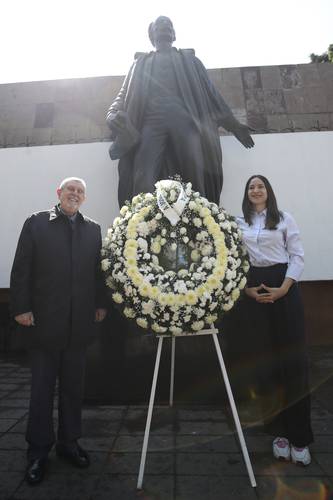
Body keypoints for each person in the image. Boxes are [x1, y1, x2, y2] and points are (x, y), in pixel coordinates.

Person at [10, 177, 107, 485]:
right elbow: (21, 268)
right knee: (41, 391)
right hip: (43, 325)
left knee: (72, 390)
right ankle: (37, 452)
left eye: (80, 191)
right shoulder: (36, 223)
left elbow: (97, 271)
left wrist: (101, 304)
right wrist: (20, 308)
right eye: (70, 190)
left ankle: (69, 443)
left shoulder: (93, 229)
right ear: (58, 193)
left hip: (78, 325)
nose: (74, 194)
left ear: (84, 198)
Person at [106, 16, 254, 208]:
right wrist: (112, 113)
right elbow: (123, 95)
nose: (164, 27)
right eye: (159, 25)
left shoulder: (190, 61)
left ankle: (202, 220)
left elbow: (212, 95)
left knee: (195, 173)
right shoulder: (139, 64)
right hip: (151, 123)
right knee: (143, 175)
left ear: (174, 34)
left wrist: (234, 126)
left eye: (168, 25)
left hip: (185, 122)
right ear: (152, 35)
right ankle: (139, 225)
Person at [230, 175, 313, 465]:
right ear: (247, 193)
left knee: (293, 362)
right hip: (255, 291)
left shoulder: (284, 219)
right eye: (251, 186)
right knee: (265, 364)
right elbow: (233, 260)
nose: (255, 190)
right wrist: (246, 289)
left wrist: (284, 289)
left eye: (260, 186)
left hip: (284, 287)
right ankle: (278, 432)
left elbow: (297, 256)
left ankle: (300, 437)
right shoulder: (237, 223)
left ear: (268, 192)